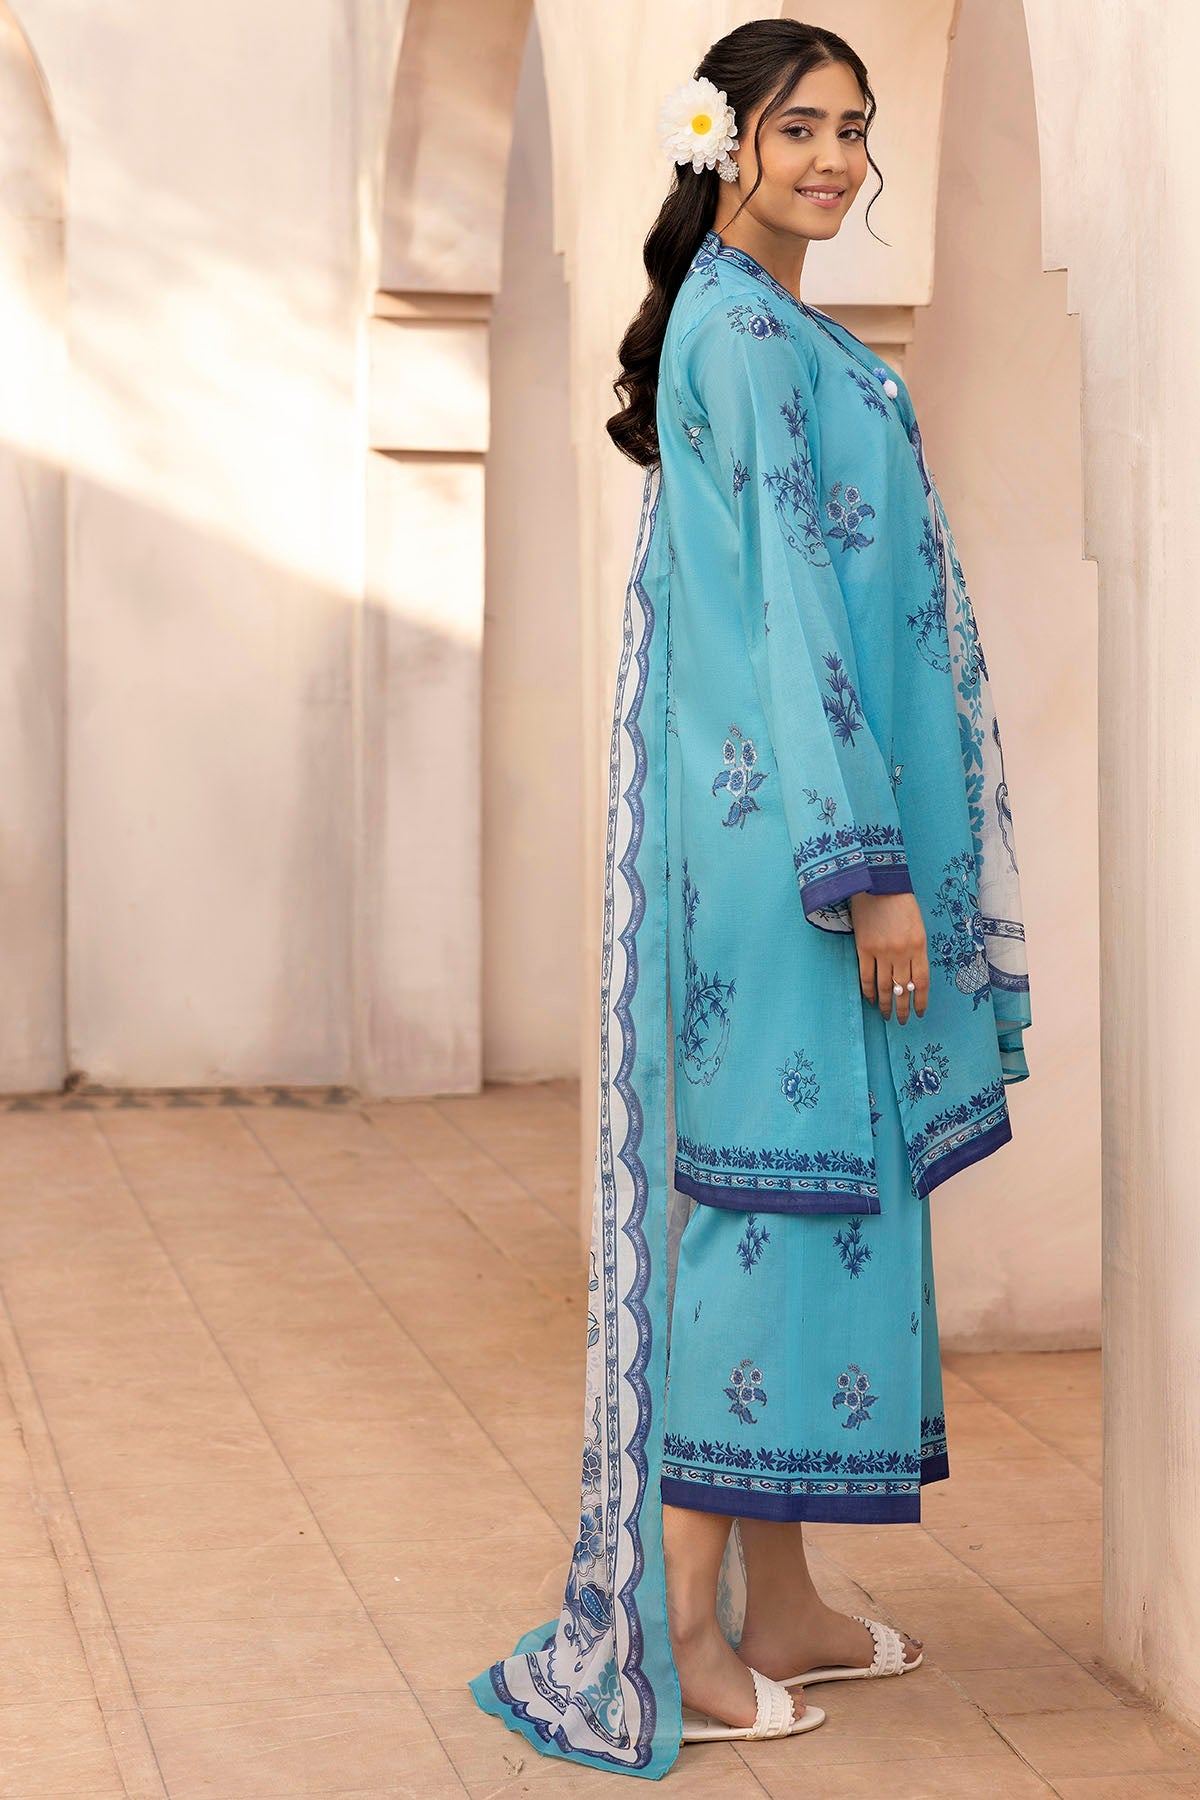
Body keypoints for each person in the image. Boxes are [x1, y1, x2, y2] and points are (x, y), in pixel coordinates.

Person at [471, 18, 1031, 1777]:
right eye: (801, 129)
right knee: (767, 1208)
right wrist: (866, 874)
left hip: (793, 836)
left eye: (855, 130)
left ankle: (778, 1603)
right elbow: (792, 615)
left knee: (827, 1194)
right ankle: (677, 1628)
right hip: (785, 857)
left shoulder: (777, 325)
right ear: (727, 142)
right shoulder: (741, 328)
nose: (836, 160)